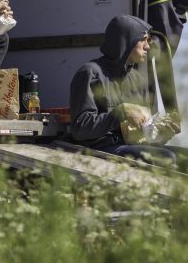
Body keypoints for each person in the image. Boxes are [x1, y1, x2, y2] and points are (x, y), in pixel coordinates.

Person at [69, 14, 177, 165]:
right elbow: (79, 128)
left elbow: (144, 129)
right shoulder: (90, 73)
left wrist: (161, 131)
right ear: (127, 40)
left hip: (134, 145)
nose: (148, 46)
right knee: (167, 158)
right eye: (143, 40)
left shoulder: (137, 79)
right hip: (104, 147)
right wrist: (120, 112)